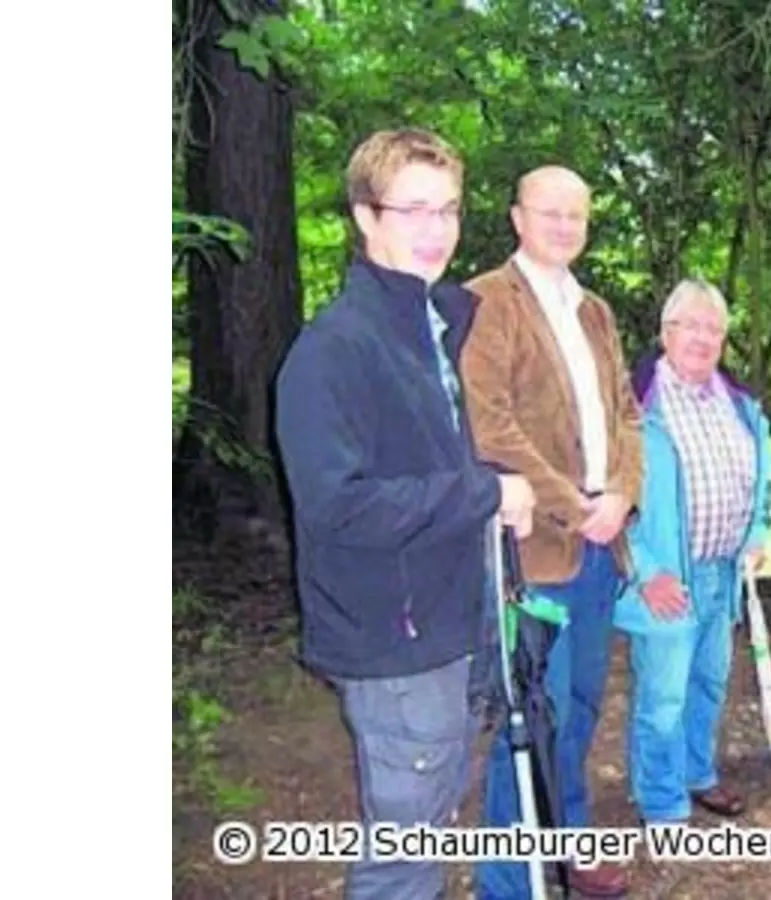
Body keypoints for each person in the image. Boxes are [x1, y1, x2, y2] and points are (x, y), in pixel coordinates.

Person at [272, 128, 536, 899]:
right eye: (412, 209)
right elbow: (336, 506)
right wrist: (485, 491)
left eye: (448, 210)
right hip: (397, 641)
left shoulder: (433, 329)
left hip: (453, 618)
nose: (436, 231)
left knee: (428, 827)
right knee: (404, 860)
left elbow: (429, 469)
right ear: (365, 215)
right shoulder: (334, 351)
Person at [459, 165, 643, 899]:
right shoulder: (487, 302)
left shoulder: (594, 309)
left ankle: (565, 847)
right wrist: (575, 503)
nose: (565, 226)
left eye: (577, 215)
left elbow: (628, 410)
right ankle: (511, 883)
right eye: (549, 213)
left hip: (603, 540)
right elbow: (490, 424)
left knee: (584, 706)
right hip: (536, 547)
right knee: (530, 719)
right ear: (516, 218)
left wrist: (625, 494)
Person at [618, 278, 771, 826]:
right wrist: (646, 572)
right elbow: (612, 497)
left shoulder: (741, 406)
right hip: (665, 582)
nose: (703, 338)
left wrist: (756, 531)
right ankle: (661, 802)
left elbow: (761, 487)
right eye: (692, 325)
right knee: (662, 701)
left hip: (722, 576)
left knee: (708, 685)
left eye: (715, 329)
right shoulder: (634, 406)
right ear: (666, 332)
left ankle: (696, 774)